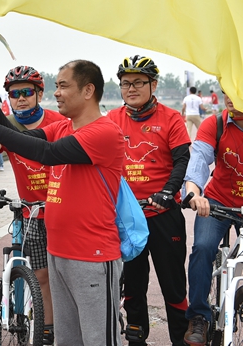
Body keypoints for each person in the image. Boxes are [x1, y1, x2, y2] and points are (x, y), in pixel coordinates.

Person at [0, 59, 125, 346]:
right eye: (56, 86)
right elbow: (21, 141)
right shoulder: (63, 127)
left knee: (98, 339)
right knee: (67, 339)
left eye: (63, 86)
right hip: (58, 252)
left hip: (92, 256)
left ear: (88, 90)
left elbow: (47, 153)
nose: (57, 93)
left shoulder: (104, 132)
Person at [0, 66, 65, 344]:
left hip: (62, 211)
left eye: (26, 92)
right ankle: (47, 331)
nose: (20, 99)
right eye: (14, 94)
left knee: (65, 276)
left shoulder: (58, 122)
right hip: (31, 213)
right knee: (41, 276)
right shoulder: (6, 126)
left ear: (40, 94)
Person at [106, 56, 190, 346]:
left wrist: (168, 193)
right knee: (133, 286)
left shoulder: (171, 118)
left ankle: (180, 339)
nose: (131, 88)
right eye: (125, 83)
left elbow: (182, 160)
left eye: (138, 82)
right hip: (128, 218)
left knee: (173, 286)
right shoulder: (111, 119)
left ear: (153, 84)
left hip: (163, 214)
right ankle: (136, 339)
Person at [181, 92, 243, 345]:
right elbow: (198, 161)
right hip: (217, 202)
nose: (229, 97)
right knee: (203, 247)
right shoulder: (215, 124)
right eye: (226, 90)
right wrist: (194, 193)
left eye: (236, 90)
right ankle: (198, 316)